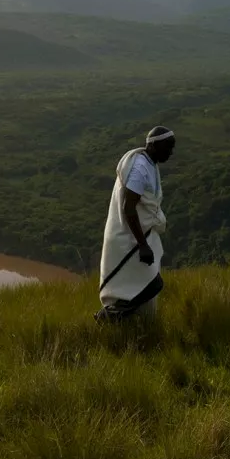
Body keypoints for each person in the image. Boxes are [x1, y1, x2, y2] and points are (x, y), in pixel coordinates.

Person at [95, 126, 175, 323]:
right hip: (129, 239)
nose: (170, 153)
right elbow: (129, 208)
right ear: (154, 146)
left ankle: (131, 327)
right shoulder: (139, 169)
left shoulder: (150, 164)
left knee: (142, 284)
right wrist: (142, 244)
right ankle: (108, 317)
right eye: (168, 148)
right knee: (152, 284)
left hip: (139, 236)